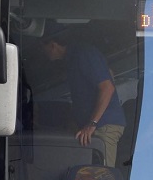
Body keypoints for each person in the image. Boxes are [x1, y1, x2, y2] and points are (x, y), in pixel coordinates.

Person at [40, 24, 126, 167]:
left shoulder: (83, 54)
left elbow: (107, 87)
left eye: (43, 47)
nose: (43, 52)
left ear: (53, 45)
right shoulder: (73, 58)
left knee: (102, 177)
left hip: (103, 126)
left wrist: (91, 124)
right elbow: (109, 73)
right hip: (93, 128)